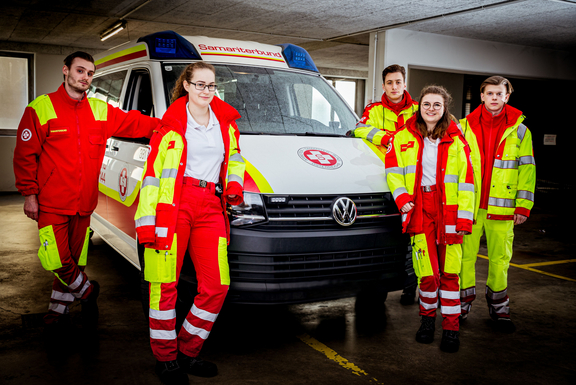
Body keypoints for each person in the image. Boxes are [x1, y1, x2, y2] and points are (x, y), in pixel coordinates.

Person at [13, 51, 160, 332]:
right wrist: (29, 195)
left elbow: (135, 123)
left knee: (75, 263)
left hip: (84, 205)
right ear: (66, 71)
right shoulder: (40, 108)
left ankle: (57, 315)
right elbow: (24, 156)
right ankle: (88, 292)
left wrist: (170, 124)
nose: (85, 78)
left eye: (90, 73)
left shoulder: (99, 110)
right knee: (56, 259)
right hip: (52, 203)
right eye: (80, 71)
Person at [134, 62, 245, 385]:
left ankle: (187, 349)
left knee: (216, 285)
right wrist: (148, 223)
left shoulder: (225, 123)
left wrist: (234, 183)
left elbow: (235, 158)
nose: (206, 91)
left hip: (211, 204)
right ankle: (165, 357)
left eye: (211, 86)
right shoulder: (170, 125)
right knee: (164, 284)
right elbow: (153, 177)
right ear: (186, 85)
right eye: (200, 85)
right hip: (174, 205)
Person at [385, 85, 475, 353]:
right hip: (420, 208)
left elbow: (468, 182)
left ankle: (451, 328)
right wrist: (403, 200)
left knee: (449, 273)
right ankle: (426, 323)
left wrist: (464, 218)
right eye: (427, 104)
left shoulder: (457, 140)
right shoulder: (402, 137)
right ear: (419, 107)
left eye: (437, 105)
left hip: (448, 209)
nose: (431, 109)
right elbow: (392, 171)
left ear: (445, 107)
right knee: (427, 275)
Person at [459, 76, 536, 333]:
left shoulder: (521, 130)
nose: (494, 97)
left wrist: (523, 206)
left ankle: (500, 309)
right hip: (469, 207)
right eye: (489, 93)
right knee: (463, 258)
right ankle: (462, 305)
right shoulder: (462, 127)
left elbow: (527, 170)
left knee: (500, 261)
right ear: (481, 96)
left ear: (507, 97)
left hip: (502, 209)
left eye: (499, 94)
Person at [351, 64, 420, 305]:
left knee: (413, 238)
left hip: (412, 182)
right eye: (389, 83)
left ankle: (411, 286)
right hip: (380, 182)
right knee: (384, 235)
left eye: (398, 82)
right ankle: (376, 288)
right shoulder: (374, 109)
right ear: (383, 85)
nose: (394, 87)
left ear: (404, 83)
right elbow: (358, 130)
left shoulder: (418, 110)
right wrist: (386, 137)